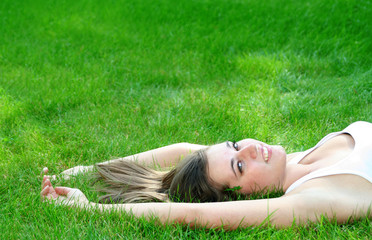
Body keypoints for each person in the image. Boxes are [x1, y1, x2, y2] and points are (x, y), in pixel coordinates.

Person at [40, 121, 372, 229]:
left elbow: (182, 149)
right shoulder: (311, 199)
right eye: (239, 166)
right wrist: (90, 209)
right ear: (241, 196)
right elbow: (193, 212)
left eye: (235, 145)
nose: (250, 150)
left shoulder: (292, 162)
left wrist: (91, 169)